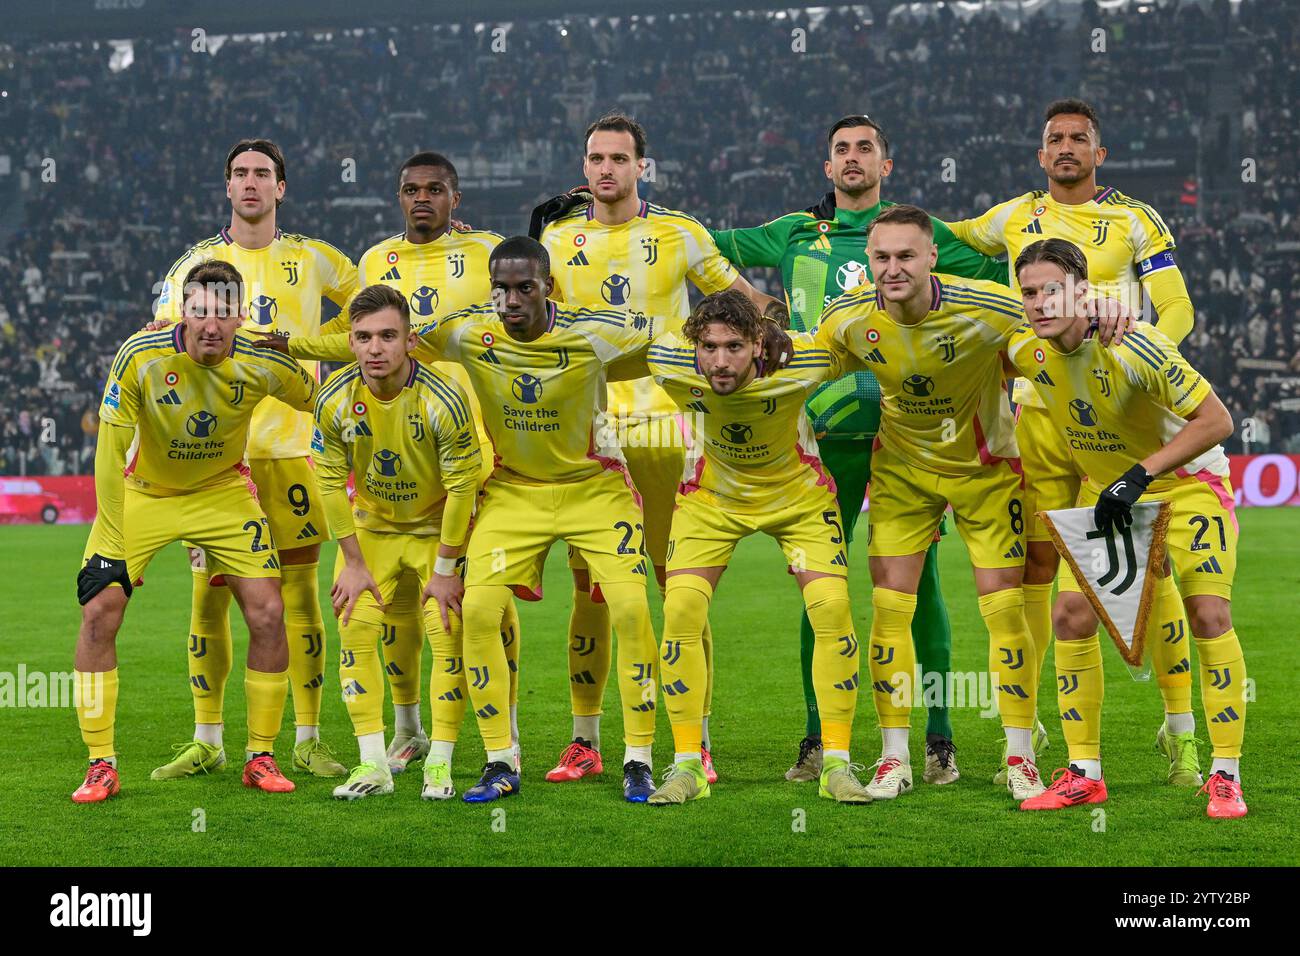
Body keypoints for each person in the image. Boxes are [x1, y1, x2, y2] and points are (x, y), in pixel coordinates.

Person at [709, 113, 1008, 785]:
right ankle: (821, 738)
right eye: (840, 147)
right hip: (822, 441)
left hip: (908, 439)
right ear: (826, 166)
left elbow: (1005, 265)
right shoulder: (793, 233)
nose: (851, 157)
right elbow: (697, 244)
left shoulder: (920, 238)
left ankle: (938, 739)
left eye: (864, 148)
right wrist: (754, 300)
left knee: (920, 589)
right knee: (824, 590)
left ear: (886, 164)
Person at [814, 205, 1131, 802]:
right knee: (888, 611)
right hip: (903, 474)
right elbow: (808, 358)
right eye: (881, 257)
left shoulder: (986, 305)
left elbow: (1058, 317)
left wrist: (1107, 303)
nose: (892, 268)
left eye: (906, 255)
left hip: (987, 474)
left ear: (932, 256)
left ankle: (1020, 756)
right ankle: (893, 758)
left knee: (1005, 612)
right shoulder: (849, 317)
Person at [947, 99, 1202, 785]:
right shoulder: (1007, 217)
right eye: (1054, 138)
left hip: (1109, 416)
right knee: (1040, 566)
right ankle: (1027, 739)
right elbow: (934, 241)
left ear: (1099, 153)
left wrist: (1143, 368)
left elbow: (1176, 306)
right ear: (1040, 153)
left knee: (1150, 565)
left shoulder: (1135, 219)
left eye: (1078, 139)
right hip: (1033, 412)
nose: (1065, 148)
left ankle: (1181, 733)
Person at [532, 112, 789, 787]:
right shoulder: (557, 240)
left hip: (668, 430)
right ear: (583, 166)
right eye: (595, 157)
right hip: (588, 433)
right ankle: (584, 740)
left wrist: (783, 324)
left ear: (642, 166)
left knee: (681, 590)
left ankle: (692, 742)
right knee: (589, 591)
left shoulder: (679, 233)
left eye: (619, 157)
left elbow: (745, 299)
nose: (606, 168)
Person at [288, 150, 521, 777]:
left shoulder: (487, 252)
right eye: (412, 190)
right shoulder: (374, 261)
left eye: (436, 189)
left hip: (481, 442)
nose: (422, 199)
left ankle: (506, 732)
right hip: (398, 450)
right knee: (399, 612)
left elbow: (528, 308)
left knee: (483, 604)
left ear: (456, 198)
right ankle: (410, 729)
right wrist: (288, 342)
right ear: (399, 198)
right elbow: (349, 331)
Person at [1007, 238, 1246, 818]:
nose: (1040, 303)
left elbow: (1218, 421)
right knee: (1070, 615)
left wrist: (1140, 474)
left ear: (1084, 292)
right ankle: (1084, 771)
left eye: (1053, 290)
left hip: (1188, 484)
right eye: (1030, 292)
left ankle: (1225, 774)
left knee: (1208, 613)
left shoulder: (1135, 342)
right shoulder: (1026, 352)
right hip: (1108, 492)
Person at [150, 139, 358, 781]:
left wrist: (313, 348)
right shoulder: (196, 264)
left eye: (262, 174)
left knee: (297, 596)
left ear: (281, 187)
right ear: (226, 185)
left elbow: (373, 312)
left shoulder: (316, 259)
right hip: (215, 460)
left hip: (296, 451)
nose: (250, 183)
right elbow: (167, 357)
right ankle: (207, 739)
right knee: (210, 595)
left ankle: (307, 739)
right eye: (239, 173)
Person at [72, 260, 316, 802]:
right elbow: (110, 455)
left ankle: (260, 754)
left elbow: (318, 397)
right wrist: (111, 542)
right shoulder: (141, 354)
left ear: (240, 316)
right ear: (182, 311)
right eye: (201, 311)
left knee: (269, 612)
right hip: (146, 494)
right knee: (98, 612)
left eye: (224, 313)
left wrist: (302, 349)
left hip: (223, 493)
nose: (211, 325)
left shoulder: (261, 360)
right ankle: (100, 763)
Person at [640, 289, 871, 805]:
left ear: (760, 346)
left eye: (735, 347)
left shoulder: (802, 360)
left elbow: (867, 338)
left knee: (831, 609)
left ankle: (836, 763)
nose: (720, 362)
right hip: (712, 498)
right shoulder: (669, 358)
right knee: (680, 610)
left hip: (798, 497)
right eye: (710, 347)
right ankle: (686, 766)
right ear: (694, 344)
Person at [312, 284, 481, 800]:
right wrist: (352, 562)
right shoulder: (333, 398)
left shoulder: (442, 399)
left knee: (446, 628)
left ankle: (441, 763)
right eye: (363, 337)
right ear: (350, 342)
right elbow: (327, 482)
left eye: (388, 335)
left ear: (410, 340)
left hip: (437, 529)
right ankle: (372, 765)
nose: (374, 348)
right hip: (376, 529)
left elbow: (462, 489)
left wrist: (446, 570)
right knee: (355, 623)